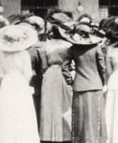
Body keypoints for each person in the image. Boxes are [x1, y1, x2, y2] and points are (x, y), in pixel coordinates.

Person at [0, 24, 40, 143]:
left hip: (7, 82)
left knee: (7, 110)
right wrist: (24, 83)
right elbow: (28, 73)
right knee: (21, 111)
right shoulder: (23, 54)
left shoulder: (1, 54)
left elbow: (0, 71)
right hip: (20, 82)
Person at [62, 22, 107, 143]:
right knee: (96, 115)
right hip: (95, 85)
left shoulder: (73, 49)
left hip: (80, 85)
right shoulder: (96, 48)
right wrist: (103, 82)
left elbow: (64, 67)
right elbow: (102, 67)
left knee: (80, 117)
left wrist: (70, 81)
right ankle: (97, 139)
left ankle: (80, 139)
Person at [39, 13, 73, 143]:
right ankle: (65, 134)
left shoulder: (45, 45)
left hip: (50, 74)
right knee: (64, 104)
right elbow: (70, 64)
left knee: (49, 104)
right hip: (64, 74)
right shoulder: (68, 45)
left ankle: (48, 134)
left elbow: (43, 65)